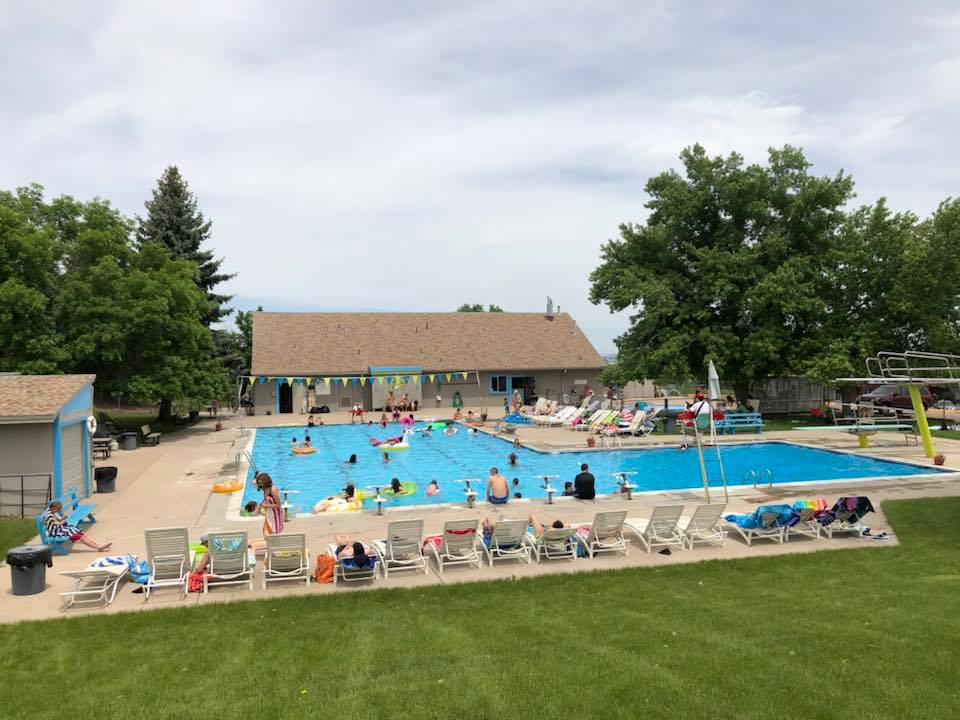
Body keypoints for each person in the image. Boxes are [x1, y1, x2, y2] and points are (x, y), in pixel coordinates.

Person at [41, 501, 112, 551]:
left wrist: (63, 519)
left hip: (60, 529)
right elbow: (56, 525)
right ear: (53, 508)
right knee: (79, 536)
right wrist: (63, 521)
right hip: (56, 532)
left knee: (81, 533)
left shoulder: (53, 512)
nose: (59, 511)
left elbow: (58, 521)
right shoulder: (49, 516)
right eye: (58, 509)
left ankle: (99, 545)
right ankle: (98, 547)